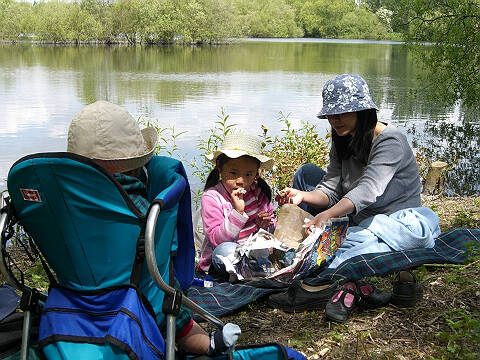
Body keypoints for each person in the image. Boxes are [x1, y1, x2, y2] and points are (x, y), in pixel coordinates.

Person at [67, 100, 240, 356]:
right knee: (165, 291)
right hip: (133, 294)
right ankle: (205, 343)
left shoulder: (63, 197)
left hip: (74, 291)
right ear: (137, 164)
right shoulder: (137, 203)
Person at [268, 74, 440, 315]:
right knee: (306, 174)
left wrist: (327, 214)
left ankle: (311, 257)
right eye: (330, 115)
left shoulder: (390, 140)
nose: (333, 121)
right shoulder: (343, 137)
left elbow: (368, 190)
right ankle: (308, 237)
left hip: (386, 218)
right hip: (354, 215)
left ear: (362, 111)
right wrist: (302, 197)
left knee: (337, 249)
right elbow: (331, 187)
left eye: (340, 114)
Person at [199, 132, 276, 274]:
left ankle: (252, 270)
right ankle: (251, 270)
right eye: (233, 173)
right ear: (219, 168)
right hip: (223, 258)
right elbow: (217, 241)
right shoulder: (212, 197)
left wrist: (265, 224)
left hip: (253, 252)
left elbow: (270, 228)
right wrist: (238, 213)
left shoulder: (258, 191)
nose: (241, 181)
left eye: (248, 174)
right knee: (225, 251)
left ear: (257, 173)